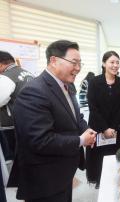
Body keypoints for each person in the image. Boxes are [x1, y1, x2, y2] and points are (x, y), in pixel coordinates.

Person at [9, 40, 97, 202]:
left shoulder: (68, 86)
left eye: (80, 63)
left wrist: (85, 129)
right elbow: (40, 140)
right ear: (54, 60)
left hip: (63, 173)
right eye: (74, 62)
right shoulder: (34, 91)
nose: (78, 68)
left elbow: (76, 116)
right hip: (44, 180)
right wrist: (80, 140)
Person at [86, 51, 120, 189]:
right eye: (112, 62)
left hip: (117, 129)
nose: (115, 65)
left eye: (117, 62)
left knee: (116, 159)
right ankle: (102, 184)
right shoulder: (94, 82)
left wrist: (113, 128)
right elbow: (93, 107)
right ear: (104, 63)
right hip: (98, 129)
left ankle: (116, 185)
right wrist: (104, 128)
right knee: (100, 159)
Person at [0, 51, 34, 161]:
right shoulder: (29, 73)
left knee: (15, 160)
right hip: (33, 122)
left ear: (1, 65)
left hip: (13, 126)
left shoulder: (6, 77)